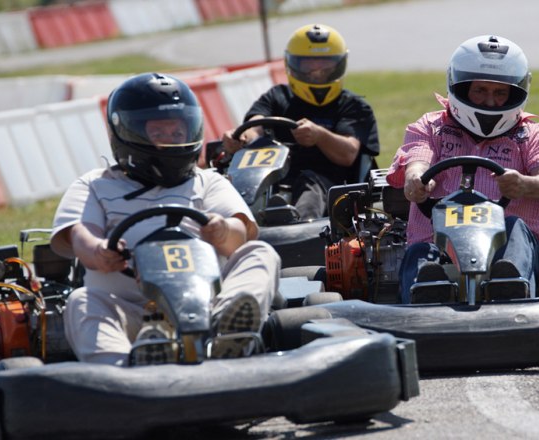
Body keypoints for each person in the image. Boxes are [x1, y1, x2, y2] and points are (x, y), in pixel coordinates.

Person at [50, 72, 280, 365]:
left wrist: (222, 231)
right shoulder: (94, 185)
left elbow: (241, 233)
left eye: (177, 133)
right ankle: (121, 372)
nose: (169, 141)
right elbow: (80, 234)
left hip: (206, 306)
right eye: (158, 133)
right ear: (127, 133)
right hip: (129, 311)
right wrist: (98, 252)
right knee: (81, 301)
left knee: (260, 253)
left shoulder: (207, 182)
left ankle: (228, 333)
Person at [385, 35, 539, 303]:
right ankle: (427, 295)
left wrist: (524, 184)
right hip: (438, 246)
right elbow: (417, 160)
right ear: (461, 87)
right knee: (421, 251)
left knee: (513, 225)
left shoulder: (533, 135)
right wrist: (416, 179)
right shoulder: (430, 127)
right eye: (480, 91)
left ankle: (510, 284)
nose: (490, 102)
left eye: (500, 92)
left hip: (511, 249)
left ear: (515, 93)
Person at [221, 23, 380, 220]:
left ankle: (299, 227)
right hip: (275, 182)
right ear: (292, 64)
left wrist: (319, 135)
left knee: (309, 183)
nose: (317, 71)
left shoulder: (354, 107)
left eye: (325, 64)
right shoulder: (277, 97)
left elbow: (348, 154)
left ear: (339, 64)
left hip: (334, 188)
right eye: (308, 64)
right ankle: (239, 222)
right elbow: (256, 125)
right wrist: (241, 137)